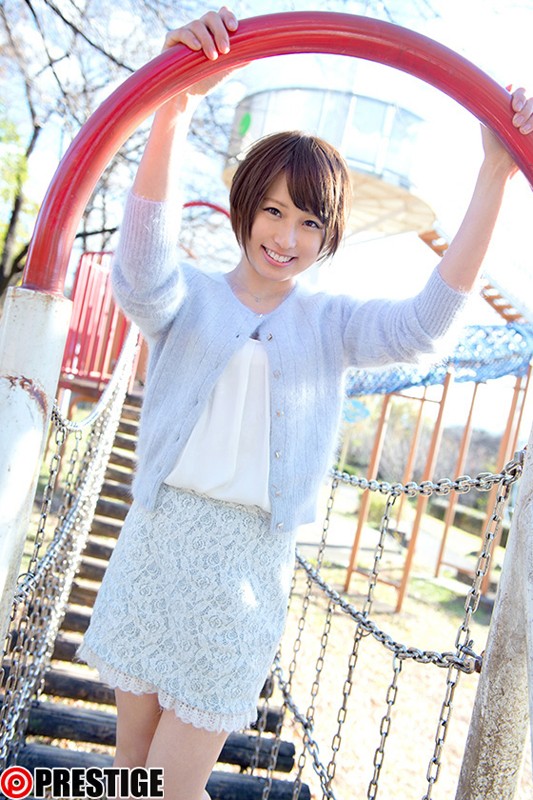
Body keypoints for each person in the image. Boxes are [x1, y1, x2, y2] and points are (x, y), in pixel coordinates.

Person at [77, 8, 533, 800]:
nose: (286, 236)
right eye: (274, 210)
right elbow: (139, 270)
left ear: (329, 236)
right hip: (157, 541)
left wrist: (493, 172)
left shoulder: (329, 325)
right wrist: (172, 106)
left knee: (173, 786)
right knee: (132, 776)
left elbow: (424, 325)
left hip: (245, 568)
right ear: (245, 208)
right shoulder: (188, 300)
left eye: (310, 221)